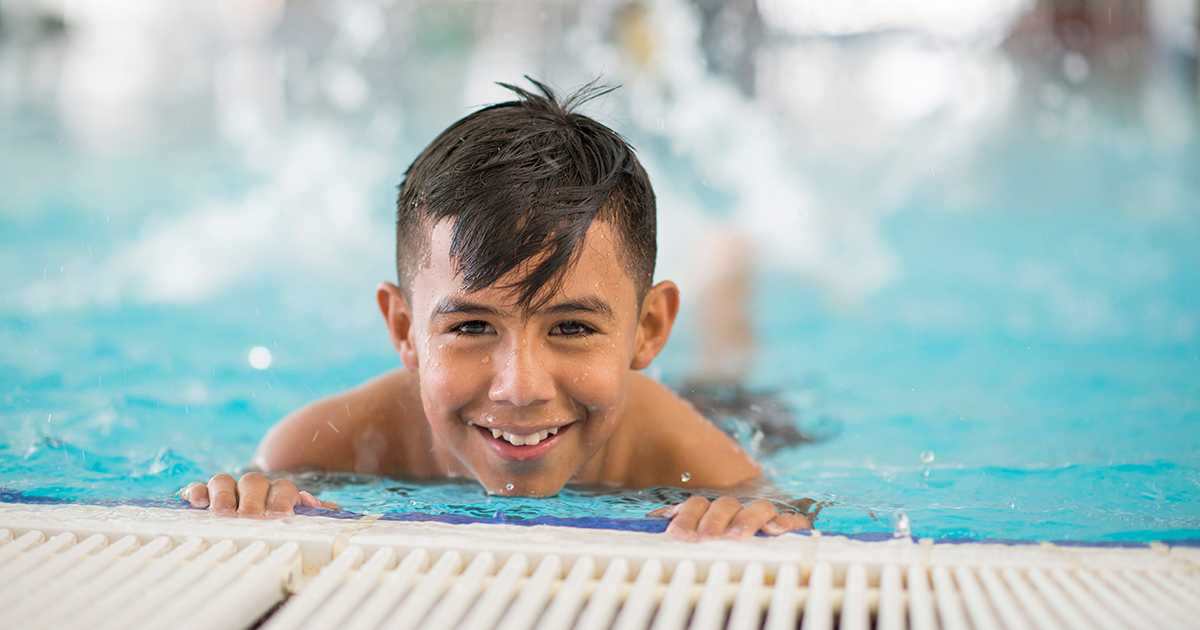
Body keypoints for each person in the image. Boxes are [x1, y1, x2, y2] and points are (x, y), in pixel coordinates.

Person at [180, 80, 812, 540]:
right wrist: (249, 496)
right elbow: (244, 500)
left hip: (718, 413)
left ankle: (729, 273)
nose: (519, 388)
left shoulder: (691, 457)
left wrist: (757, 517)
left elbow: (794, 519)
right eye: (473, 326)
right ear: (404, 329)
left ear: (647, 330)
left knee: (728, 376)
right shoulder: (318, 450)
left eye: (571, 326)